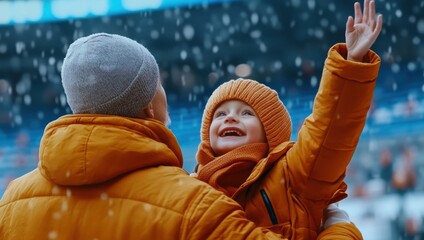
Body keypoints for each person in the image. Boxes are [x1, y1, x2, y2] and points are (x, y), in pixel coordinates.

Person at [0, 33, 290, 240]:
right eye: (158, 83)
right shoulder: (194, 205)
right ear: (149, 105)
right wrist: (334, 224)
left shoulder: (12, 202)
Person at [193, 0, 382, 239]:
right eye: (220, 114)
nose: (230, 117)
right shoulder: (190, 190)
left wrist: (352, 64)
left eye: (246, 113)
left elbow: (328, 133)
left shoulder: (294, 175)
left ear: (270, 133)